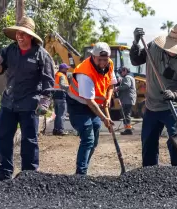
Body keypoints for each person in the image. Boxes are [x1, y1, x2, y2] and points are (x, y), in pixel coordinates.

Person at [0, 17, 55, 180]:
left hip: (29, 103)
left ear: (30, 36)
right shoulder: (9, 50)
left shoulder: (41, 55)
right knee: (3, 137)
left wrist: (45, 101)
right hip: (9, 101)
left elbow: (48, 80)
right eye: (18, 33)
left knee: (29, 139)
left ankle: (29, 174)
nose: (20, 36)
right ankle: (5, 172)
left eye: (23, 34)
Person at [130, 25, 177, 168]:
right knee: (148, 141)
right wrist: (135, 44)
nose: (171, 51)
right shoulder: (152, 48)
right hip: (152, 106)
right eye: (170, 47)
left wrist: (175, 94)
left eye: (175, 48)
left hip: (173, 107)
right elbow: (136, 60)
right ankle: (149, 171)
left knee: (176, 141)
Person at [67, 42, 117, 175]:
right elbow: (89, 101)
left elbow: (111, 84)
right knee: (88, 139)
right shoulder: (85, 73)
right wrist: (104, 118)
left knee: (94, 140)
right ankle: (81, 174)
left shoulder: (110, 64)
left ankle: (84, 168)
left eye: (105, 59)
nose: (103, 62)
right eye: (99, 59)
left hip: (93, 105)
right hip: (78, 106)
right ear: (93, 57)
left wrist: (108, 98)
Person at [115, 67, 137, 135]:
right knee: (126, 114)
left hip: (127, 99)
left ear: (125, 71)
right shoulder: (129, 77)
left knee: (126, 114)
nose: (120, 74)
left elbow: (127, 85)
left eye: (121, 72)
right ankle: (128, 127)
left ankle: (128, 129)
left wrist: (117, 88)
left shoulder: (127, 77)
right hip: (128, 99)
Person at [52, 63, 70, 136]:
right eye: (66, 68)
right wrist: (70, 87)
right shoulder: (62, 76)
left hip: (55, 96)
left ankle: (56, 130)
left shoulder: (56, 74)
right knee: (62, 114)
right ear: (62, 69)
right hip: (61, 96)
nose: (67, 70)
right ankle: (60, 130)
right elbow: (62, 85)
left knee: (57, 114)